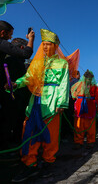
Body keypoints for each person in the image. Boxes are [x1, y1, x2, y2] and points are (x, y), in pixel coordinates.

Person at [11, 29, 69, 182]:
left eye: (49, 44)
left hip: (52, 103)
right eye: (43, 44)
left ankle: (48, 162)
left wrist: (61, 102)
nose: (45, 47)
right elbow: (28, 77)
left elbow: (64, 84)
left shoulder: (62, 63)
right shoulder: (37, 62)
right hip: (35, 101)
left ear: (55, 46)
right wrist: (16, 84)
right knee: (29, 131)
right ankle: (29, 163)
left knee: (51, 134)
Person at [0, 21, 34, 151]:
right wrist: (31, 39)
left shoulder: (6, 59)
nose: (10, 38)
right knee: (9, 121)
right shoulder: (14, 59)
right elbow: (27, 54)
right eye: (9, 35)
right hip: (12, 97)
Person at [71, 70, 98, 149]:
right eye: (87, 78)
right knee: (79, 125)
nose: (88, 79)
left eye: (90, 78)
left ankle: (90, 141)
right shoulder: (78, 85)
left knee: (90, 126)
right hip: (80, 108)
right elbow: (73, 93)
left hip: (90, 107)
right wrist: (76, 97)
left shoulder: (94, 87)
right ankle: (78, 142)